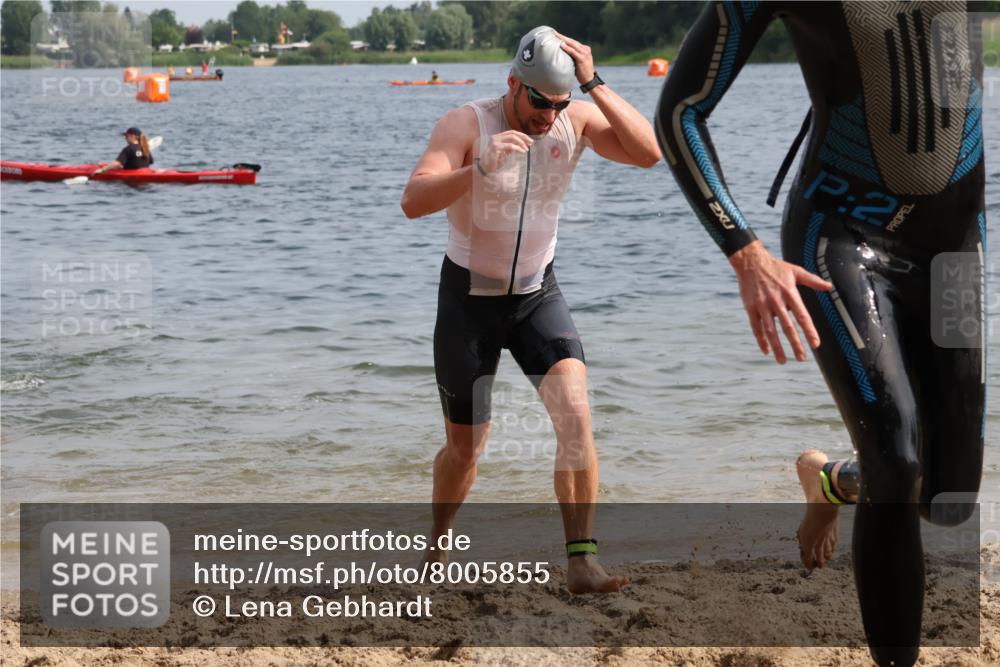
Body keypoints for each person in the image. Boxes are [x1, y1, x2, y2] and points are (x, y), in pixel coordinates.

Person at [656, 3, 984, 666]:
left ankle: (834, 479)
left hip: (953, 247)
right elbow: (679, 111)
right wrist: (744, 250)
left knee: (947, 498)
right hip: (842, 235)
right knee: (898, 456)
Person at [401, 26, 661, 594]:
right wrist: (479, 169)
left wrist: (593, 83)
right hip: (468, 300)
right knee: (465, 449)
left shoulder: (574, 119)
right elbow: (412, 201)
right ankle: (438, 540)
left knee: (575, 415)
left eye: (559, 102)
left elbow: (649, 153)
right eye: (539, 100)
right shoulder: (467, 124)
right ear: (513, 83)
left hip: (537, 294)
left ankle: (581, 562)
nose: (549, 115)